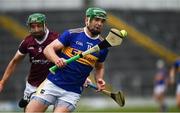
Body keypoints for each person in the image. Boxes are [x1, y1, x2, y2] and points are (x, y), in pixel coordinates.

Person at [25, 7, 109, 113]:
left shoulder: (103, 46)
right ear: (87, 20)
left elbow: (99, 67)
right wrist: (57, 60)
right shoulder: (72, 34)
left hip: (72, 92)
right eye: (96, 19)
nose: (99, 23)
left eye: (102, 21)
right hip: (53, 84)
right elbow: (48, 49)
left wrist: (99, 79)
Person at [0, 13, 59, 110]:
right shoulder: (27, 42)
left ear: (45, 25)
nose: (36, 29)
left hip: (53, 83)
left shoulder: (56, 39)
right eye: (33, 26)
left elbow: (69, 57)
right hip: (33, 85)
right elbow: (14, 62)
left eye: (39, 26)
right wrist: (2, 82)